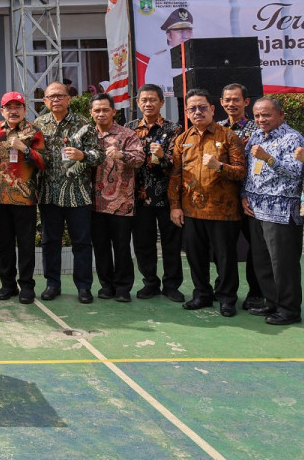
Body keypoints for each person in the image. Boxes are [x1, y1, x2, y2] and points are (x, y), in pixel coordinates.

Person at [168, 88, 246, 316]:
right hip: (191, 210)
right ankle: (202, 294)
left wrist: (219, 167)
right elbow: (175, 175)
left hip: (223, 211)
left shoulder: (228, 136)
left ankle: (226, 298)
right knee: (195, 257)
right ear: (187, 112)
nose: (198, 112)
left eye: (202, 107)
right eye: (192, 108)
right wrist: (175, 206)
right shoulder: (182, 139)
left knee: (225, 258)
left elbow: (241, 172)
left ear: (213, 109)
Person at [34, 81, 105, 304]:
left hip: (78, 193)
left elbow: (99, 156)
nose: (55, 100)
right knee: (50, 242)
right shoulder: (38, 125)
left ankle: (84, 287)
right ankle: (52, 284)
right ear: (45, 101)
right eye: (51, 97)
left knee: (82, 242)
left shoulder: (84, 123)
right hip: (48, 193)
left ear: (69, 99)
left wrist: (82, 155)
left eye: (60, 96)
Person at [242, 97, 304, 325]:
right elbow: (248, 170)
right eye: (257, 115)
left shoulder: (293, 139)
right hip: (256, 210)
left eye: (266, 115)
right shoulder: (257, 136)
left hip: (281, 212)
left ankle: (289, 310)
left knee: (283, 263)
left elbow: (295, 173)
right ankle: (271, 300)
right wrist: (243, 195)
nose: (261, 119)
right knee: (263, 261)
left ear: (281, 115)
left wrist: (269, 159)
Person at [125, 84, 184, 302]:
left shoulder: (174, 129)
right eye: (144, 100)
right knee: (143, 243)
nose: (148, 104)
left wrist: (162, 156)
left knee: (171, 244)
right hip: (139, 197)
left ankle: (171, 285)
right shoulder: (129, 129)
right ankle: (149, 282)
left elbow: (178, 165)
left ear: (161, 102)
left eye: (153, 100)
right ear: (138, 103)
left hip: (167, 197)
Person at [0, 91, 45, 303]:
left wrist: (25, 149)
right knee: (4, 243)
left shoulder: (34, 132)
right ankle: (7, 284)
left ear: (24, 109)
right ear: (1, 110)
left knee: (26, 244)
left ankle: (27, 285)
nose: (13, 111)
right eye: (8, 107)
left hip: (25, 198)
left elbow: (43, 163)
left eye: (17, 107)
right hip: (0, 198)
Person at [89, 93, 145, 303]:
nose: (101, 114)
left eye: (105, 110)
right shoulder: (87, 135)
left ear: (114, 111)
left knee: (121, 246)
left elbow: (140, 159)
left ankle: (123, 287)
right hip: (94, 202)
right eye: (97, 110)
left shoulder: (127, 135)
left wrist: (122, 154)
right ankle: (106, 285)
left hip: (121, 202)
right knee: (100, 247)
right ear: (91, 113)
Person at [218, 83, 263, 312]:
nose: (231, 104)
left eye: (236, 100)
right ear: (221, 102)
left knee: (255, 248)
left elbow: (257, 167)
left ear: (246, 102)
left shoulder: (258, 130)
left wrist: (246, 193)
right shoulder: (216, 128)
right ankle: (224, 290)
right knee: (223, 249)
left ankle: (256, 293)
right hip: (222, 202)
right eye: (227, 100)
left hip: (249, 201)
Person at [143, 7, 193, 94]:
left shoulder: (197, 56)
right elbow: (152, 92)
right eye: (180, 31)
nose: (186, 36)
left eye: (189, 31)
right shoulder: (159, 60)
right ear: (169, 36)